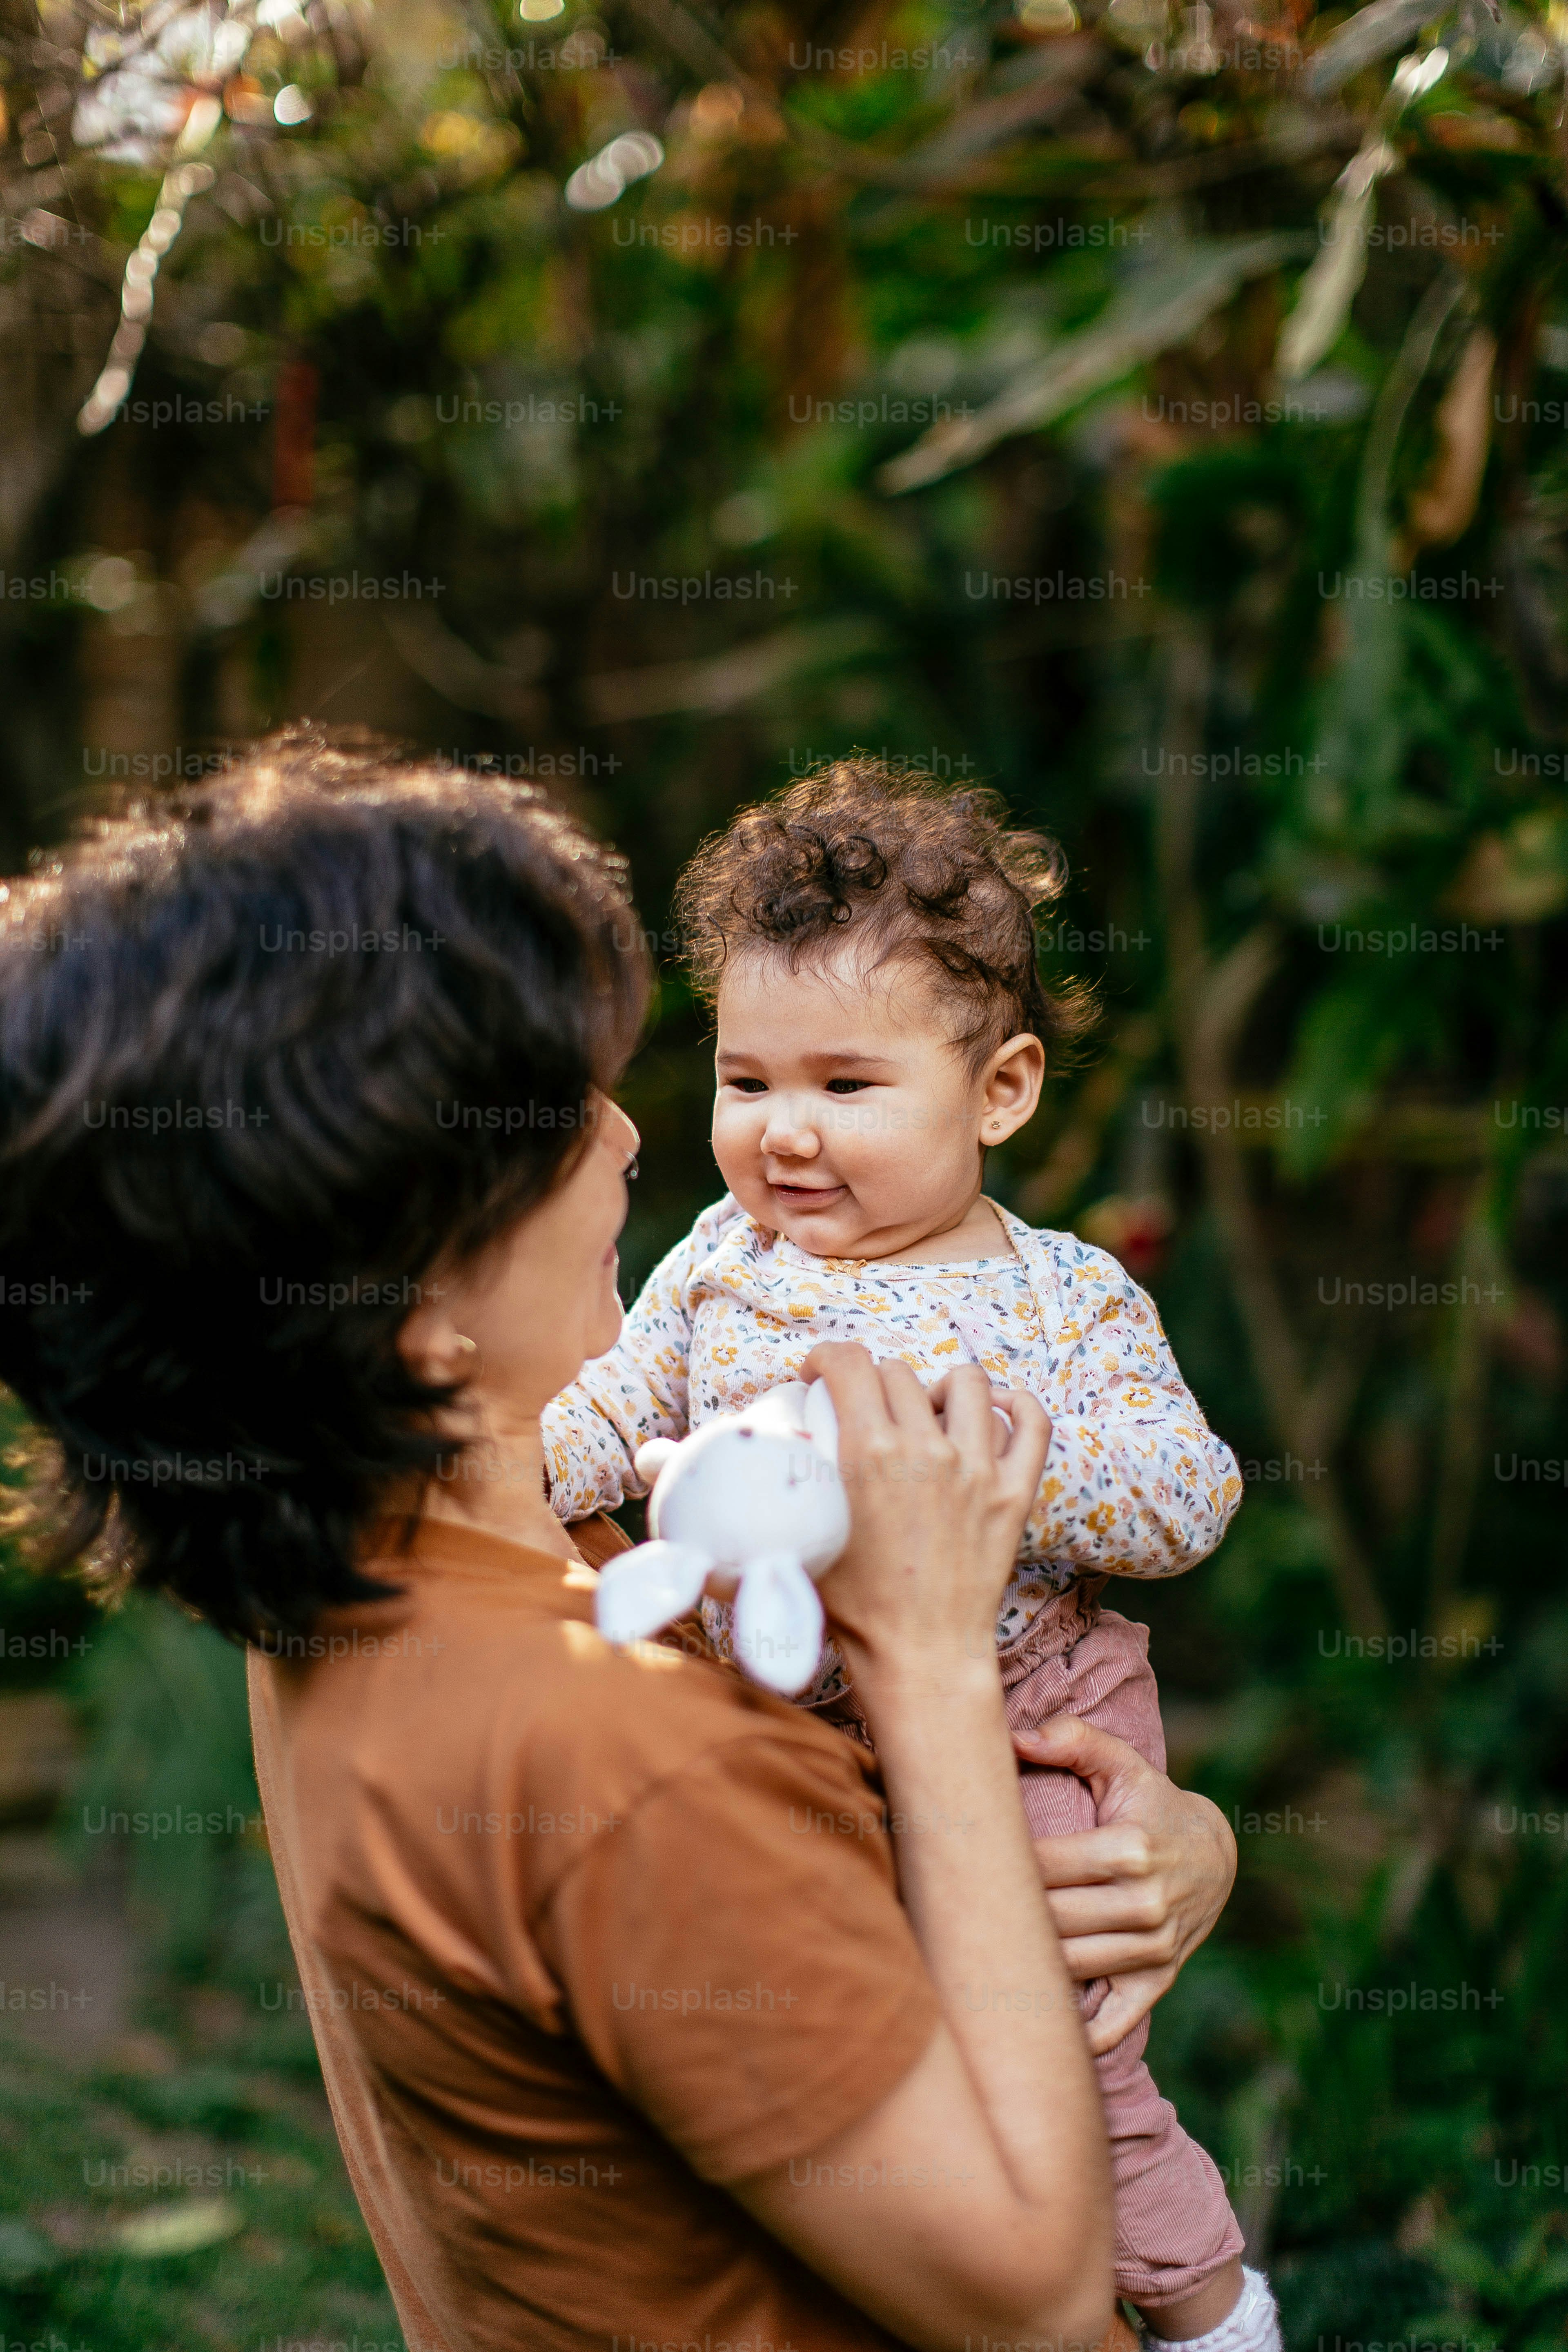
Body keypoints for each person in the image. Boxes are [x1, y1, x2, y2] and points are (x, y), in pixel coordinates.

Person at [0, 726, 1236, 2352]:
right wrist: (933, 1666)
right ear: (412, 1304)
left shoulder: (378, 1575)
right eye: (556, 1116)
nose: (636, 1141)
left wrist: (1174, 1844)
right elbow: (1034, 2304)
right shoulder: (619, 1751)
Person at [544, 760, 1276, 2349]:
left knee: (1058, 2057)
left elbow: (1189, 1493)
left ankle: (1207, 2305)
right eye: (748, 1081)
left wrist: (982, 1468)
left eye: (847, 1087)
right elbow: (621, 1398)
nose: (784, 1134)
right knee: (862, 2056)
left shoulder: (1063, 1298)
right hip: (798, 1711)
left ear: (999, 1092)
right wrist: (532, 1466)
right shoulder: (717, 1258)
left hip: (1020, 1699)